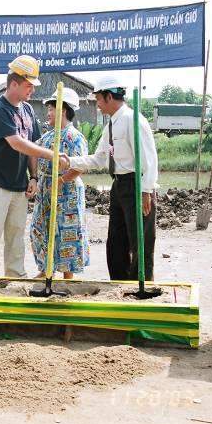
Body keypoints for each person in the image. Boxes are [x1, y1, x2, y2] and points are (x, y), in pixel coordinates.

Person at [61, 77, 158, 280]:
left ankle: (141, 287)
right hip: (119, 185)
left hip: (136, 185)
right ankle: (120, 283)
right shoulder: (110, 126)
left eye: (98, 98)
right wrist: (70, 161)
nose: (96, 103)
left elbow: (149, 158)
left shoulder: (133, 120)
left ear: (109, 96)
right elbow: (99, 159)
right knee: (116, 241)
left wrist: (146, 190)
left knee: (140, 242)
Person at [0, 55, 68, 278]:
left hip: (19, 184)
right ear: (14, 84)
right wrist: (53, 155)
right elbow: (17, 143)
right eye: (28, 85)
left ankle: (14, 277)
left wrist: (34, 177)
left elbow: (32, 145)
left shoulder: (27, 110)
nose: (32, 90)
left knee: (16, 234)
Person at [30, 87, 90, 280]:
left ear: (62, 111)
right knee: (41, 229)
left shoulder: (74, 137)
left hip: (67, 193)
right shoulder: (47, 137)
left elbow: (82, 165)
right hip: (46, 190)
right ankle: (46, 269)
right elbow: (32, 151)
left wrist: (62, 179)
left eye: (51, 109)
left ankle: (68, 275)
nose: (47, 113)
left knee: (66, 232)